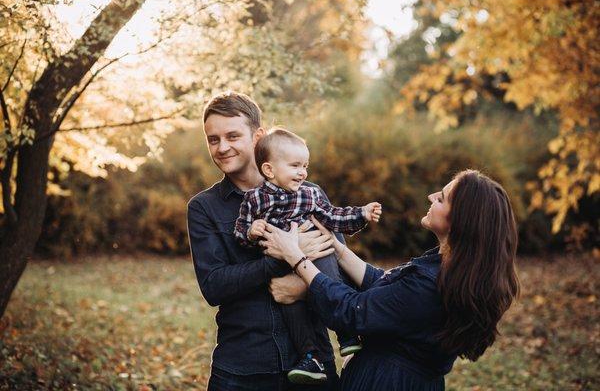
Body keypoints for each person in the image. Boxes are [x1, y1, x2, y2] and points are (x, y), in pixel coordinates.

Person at [260, 169, 521, 390]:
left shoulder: (430, 284)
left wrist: (295, 257)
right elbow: (388, 286)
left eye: (441, 198)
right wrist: (339, 250)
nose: (431, 197)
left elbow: (352, 311)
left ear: (460, 221)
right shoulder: (448, 266)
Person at [187, 91, 342, 390]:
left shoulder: (308, 193)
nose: (222, 147)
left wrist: (301, 287)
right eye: (213, 139)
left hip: (313, 367)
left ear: (257, 136)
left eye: (232, 136)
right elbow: (214, 286)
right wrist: (284, 256)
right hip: (242, 368)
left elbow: (337, 268)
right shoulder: (204, 207)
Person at [234, 128, 382, 384]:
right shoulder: (253, 200)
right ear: (269, 170)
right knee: (291, 307)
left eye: (305, 166)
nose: (303, 172)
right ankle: (310, 357)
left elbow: (333, 217)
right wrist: (251, 231)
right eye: (295, 166)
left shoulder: (310, 194)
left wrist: (361, 214)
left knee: (328, 267)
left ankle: (346, 335)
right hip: (282, 266)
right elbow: (240, 232)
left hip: (314, 255)